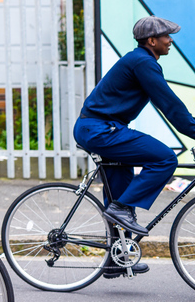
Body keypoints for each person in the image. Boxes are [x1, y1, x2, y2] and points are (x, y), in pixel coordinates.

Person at [74, 16, 195, 278]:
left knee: (121, 190)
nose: (170, 40)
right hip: (100, 130)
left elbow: (169, 106)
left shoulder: (140, 61)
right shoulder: (143, 62)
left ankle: (116, 258)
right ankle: (121, 210)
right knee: (164, 159)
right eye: (167, 36)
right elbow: (170, 105)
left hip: (101, 128)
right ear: (152, 41)